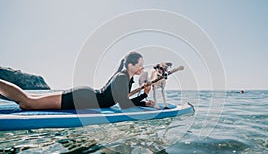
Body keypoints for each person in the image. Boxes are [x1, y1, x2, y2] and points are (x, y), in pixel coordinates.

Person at [0, 51, 153, 110]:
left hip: (85, 96)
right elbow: (124, 105)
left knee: (31, 99)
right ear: (130, 65)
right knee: (28, 103)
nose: (142, 68)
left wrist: (142, 101)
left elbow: (123, 99)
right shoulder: (121, 78)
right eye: (140, 65)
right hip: (83, 98)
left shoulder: (126, 78)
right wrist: (144, 95)